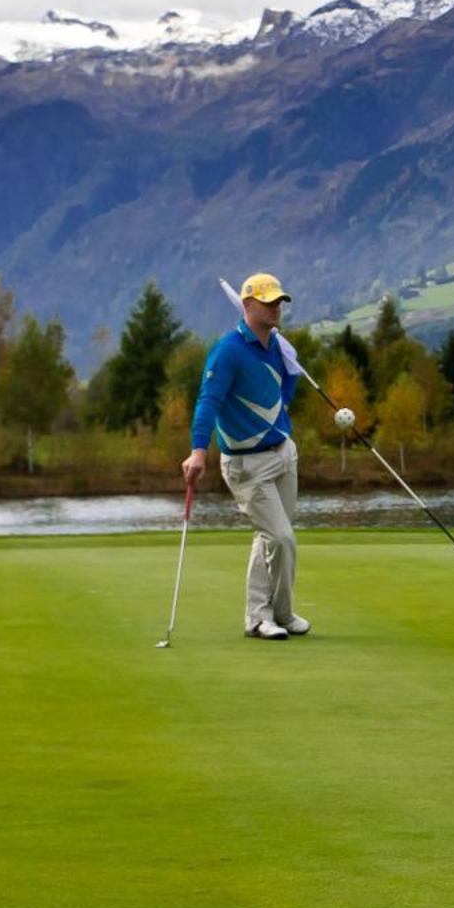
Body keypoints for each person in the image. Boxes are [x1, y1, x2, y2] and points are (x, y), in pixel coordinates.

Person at [181, 272, 306, 642]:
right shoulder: (228, 350)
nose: (276, 308)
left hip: (284, 453)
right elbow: (208, 402)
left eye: (279, 302)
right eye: (268, 302)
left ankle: (264, 616)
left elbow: (287, 384)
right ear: (248, 305)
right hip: (246, 463)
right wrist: (198, 450)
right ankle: (274, 613)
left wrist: (287, 391)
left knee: (270, 536)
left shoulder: (277, 347)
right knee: (281, 538)